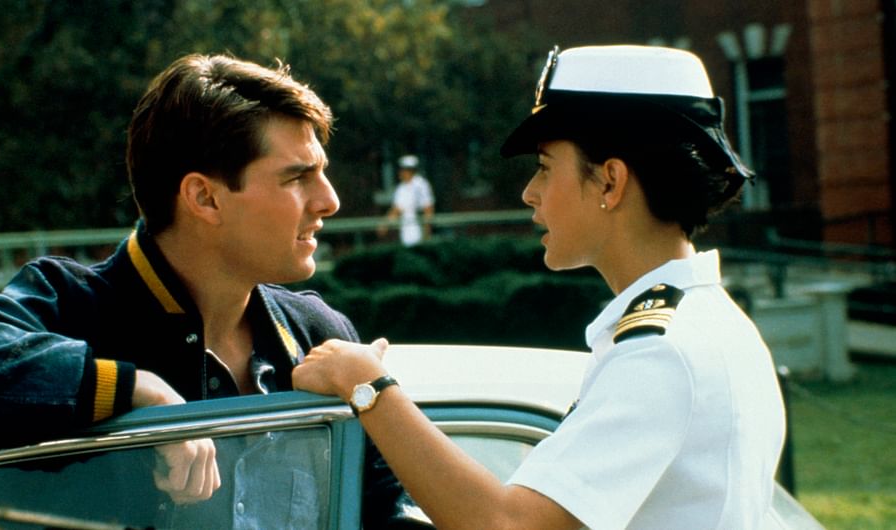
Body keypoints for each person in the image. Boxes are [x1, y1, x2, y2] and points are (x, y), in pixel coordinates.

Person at [293, 45, 787, 529]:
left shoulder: (661, 353)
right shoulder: (706, 323)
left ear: (610, 182)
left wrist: (367, 385)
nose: (530, 192)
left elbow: (506, 526)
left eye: (546, 167)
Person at [0, 53, 415, 528]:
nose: (330, 200)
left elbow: (386, 517)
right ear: (204, 197)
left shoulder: (320, 335)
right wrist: (137, 391)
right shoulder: (70, 307)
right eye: (297, 177)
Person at [380, 154, 435, 246]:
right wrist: (385, 224)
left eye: (403, 170)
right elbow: (397, 209)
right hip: (406, 231)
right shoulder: (401, 188)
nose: (400, 172)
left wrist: (427, 232)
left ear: (410, 171)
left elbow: (428, 208)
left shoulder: (421, 185)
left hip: (419, 228)